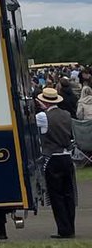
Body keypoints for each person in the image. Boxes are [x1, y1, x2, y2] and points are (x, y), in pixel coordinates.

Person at [36, 87, 76, 239]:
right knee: (68, 194)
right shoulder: (66, 114)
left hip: (52, 158)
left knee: (56, 196)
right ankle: (70, 227)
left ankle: (63, 229)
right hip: (66, 157)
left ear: (44, 101)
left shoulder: (42, 116)